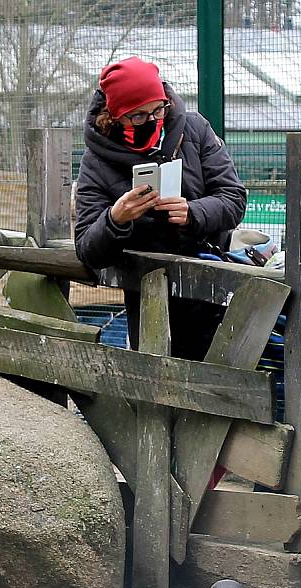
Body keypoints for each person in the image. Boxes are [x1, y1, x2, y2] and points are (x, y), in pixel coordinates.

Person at [75, 56, 247, 360]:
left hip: (211, 283)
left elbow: (233, 197)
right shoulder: (96, 161)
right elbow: (88, 249)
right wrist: (116, 219)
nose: (152, 120)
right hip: (147, 292)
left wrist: (193, 212)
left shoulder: (194, 129)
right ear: (114, 116)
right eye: (137, 116)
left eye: (158, 109)